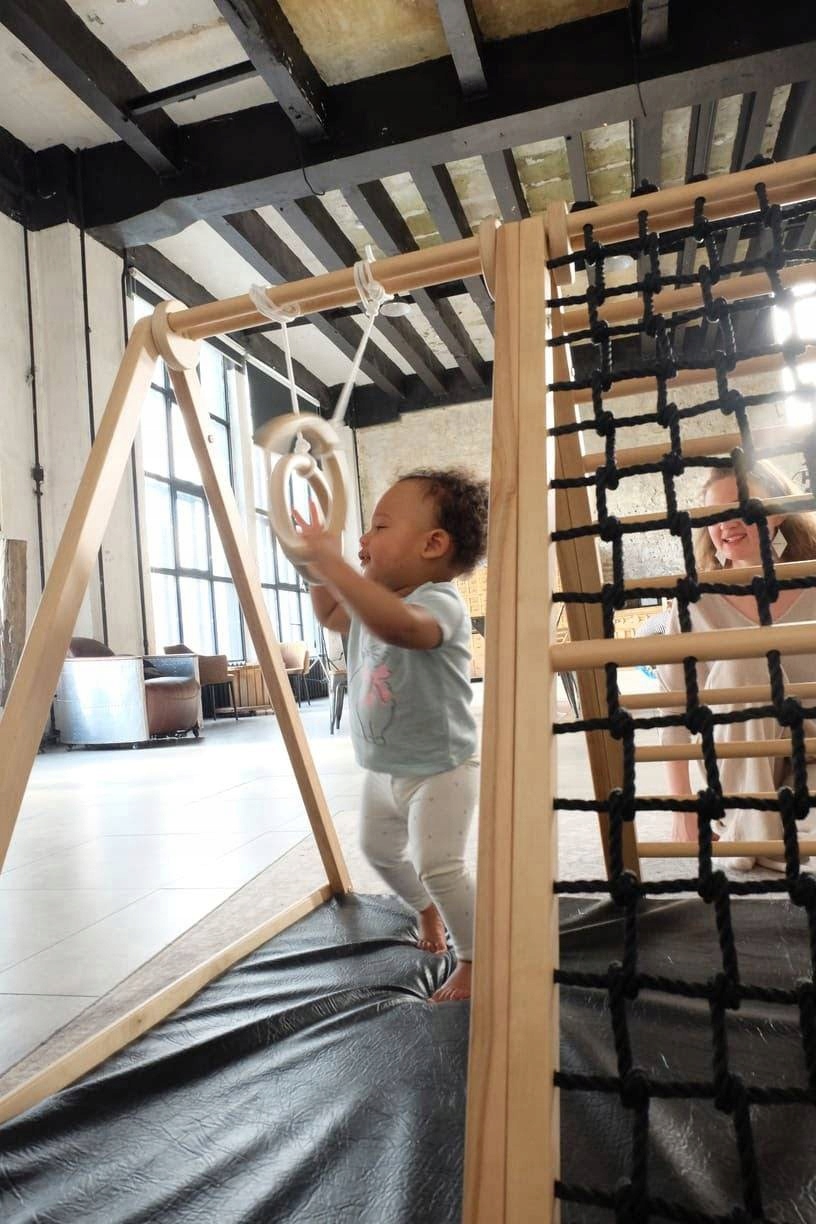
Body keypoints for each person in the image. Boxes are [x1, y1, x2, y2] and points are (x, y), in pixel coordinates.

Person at [293, 468, 489, 1001]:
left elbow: (399, 626)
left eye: (379, 527)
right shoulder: (369, 601)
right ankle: (426, 909)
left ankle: (476, 957)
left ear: (433, 545)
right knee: (378, 850)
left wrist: (336, 565)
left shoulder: (439, 601)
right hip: (383, 768)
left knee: (438, 866)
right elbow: (331, 612)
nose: (364, 539)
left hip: (441, 769)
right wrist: (316, 567)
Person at [658, 459, 816, 869]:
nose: (726, 523)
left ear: (777, 513)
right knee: (744, 660)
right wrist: (682, 809)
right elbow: (675, 707)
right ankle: (755, 833)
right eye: (715, 514)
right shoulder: (695, 600)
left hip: (811, 756)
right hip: (739, 759)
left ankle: (758, 836)